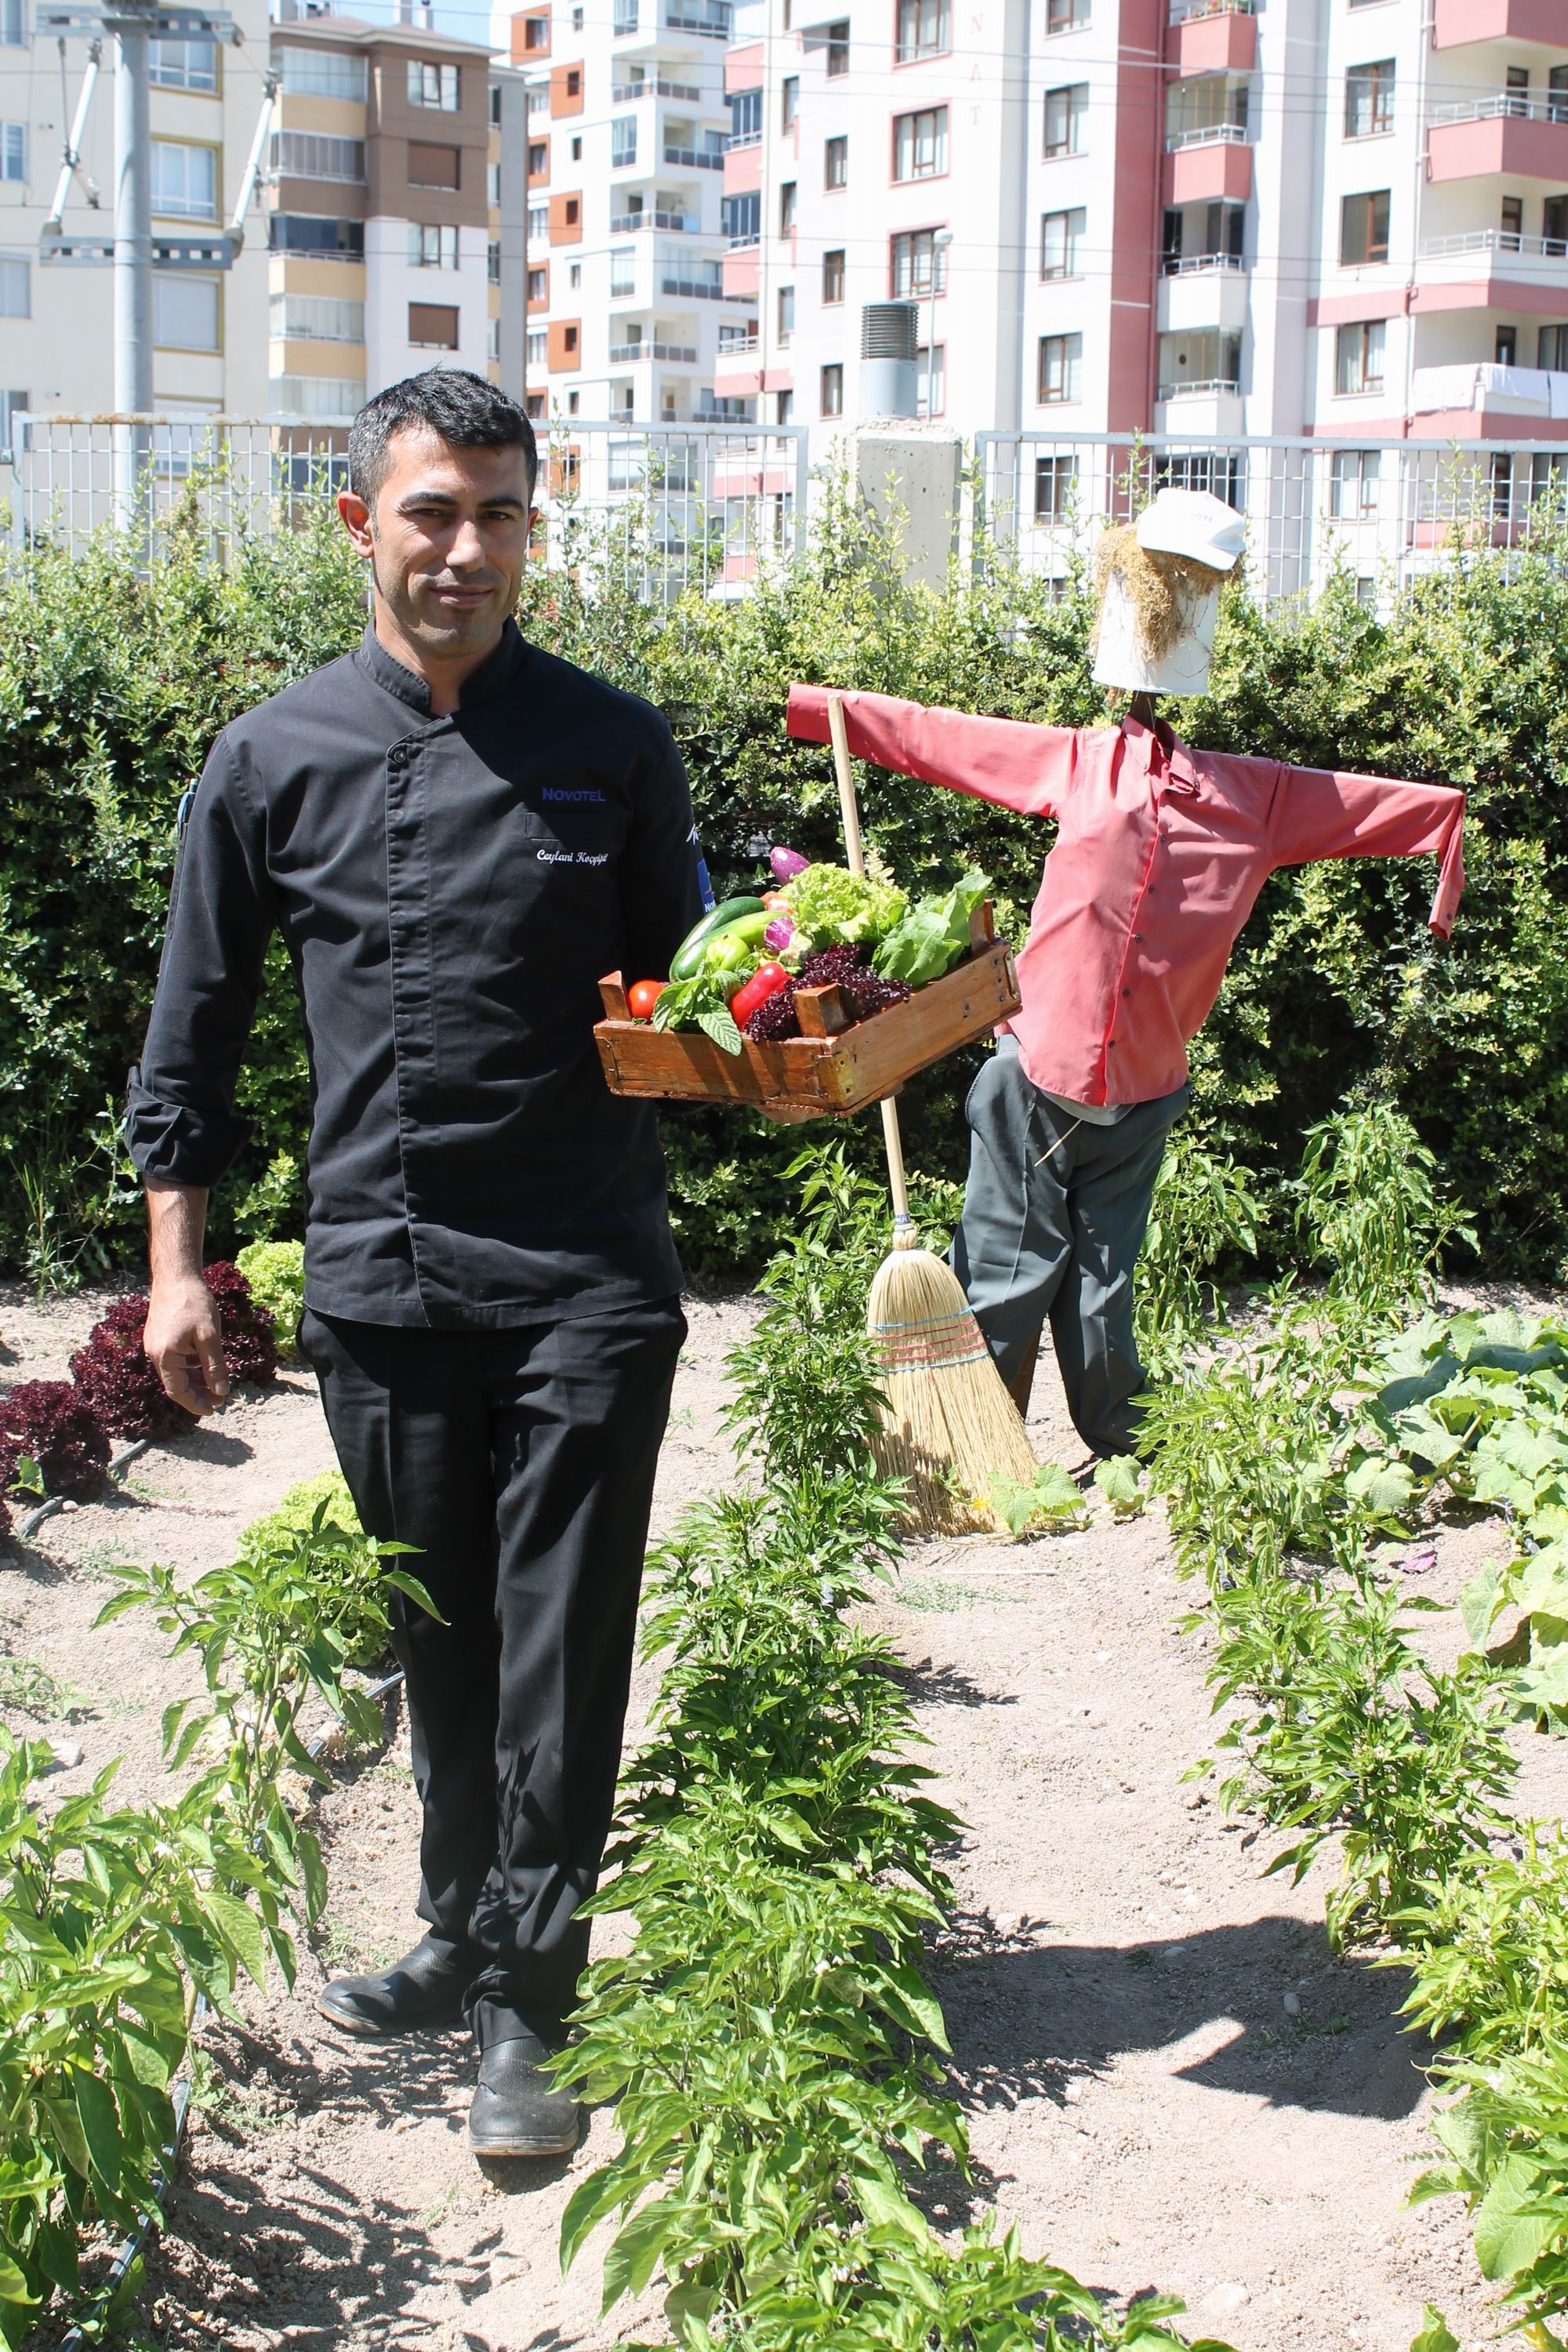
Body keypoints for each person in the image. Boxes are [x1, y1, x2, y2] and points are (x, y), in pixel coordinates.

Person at [129, 370, 706, 2159]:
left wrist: (818, 1014)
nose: (466, 548)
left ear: (534, 527)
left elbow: (690, 995)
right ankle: (464, 1924)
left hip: (584, 1276)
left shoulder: (612, 745)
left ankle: (535, 2002)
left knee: (558, 1648)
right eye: (433, 511)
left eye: (501, 513)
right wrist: (176, 1270)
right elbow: (191, 1031)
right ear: (359, 524)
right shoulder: (270, 756)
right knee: (436, 1636)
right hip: (380, 1285)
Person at [786, 490, 1467, 1457]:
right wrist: (833, 716)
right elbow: (949, 741)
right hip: (1036, 1079)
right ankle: (988, 1449)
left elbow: (1385, 807)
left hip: (1138, 1089)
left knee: (1088, 1285)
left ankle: (1104, 1446)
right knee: (1014, 1271)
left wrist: (1442, 832)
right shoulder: (1092, 765)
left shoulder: (1254, 799)